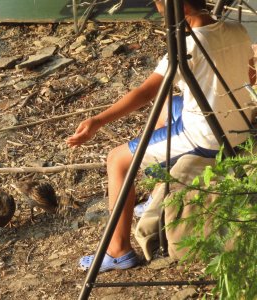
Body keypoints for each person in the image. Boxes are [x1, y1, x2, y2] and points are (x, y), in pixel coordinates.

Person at [66, 0, 256, 273]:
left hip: (207, 138)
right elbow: (249, 75)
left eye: (159, 4)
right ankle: (158, 189)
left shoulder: (188, 46)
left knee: (117, 160)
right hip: (238, 124)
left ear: (179, 7)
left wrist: (97, 121)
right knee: (168, 105)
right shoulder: (237, 29)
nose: (158, 10)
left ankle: (117, 251)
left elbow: (144, 93)